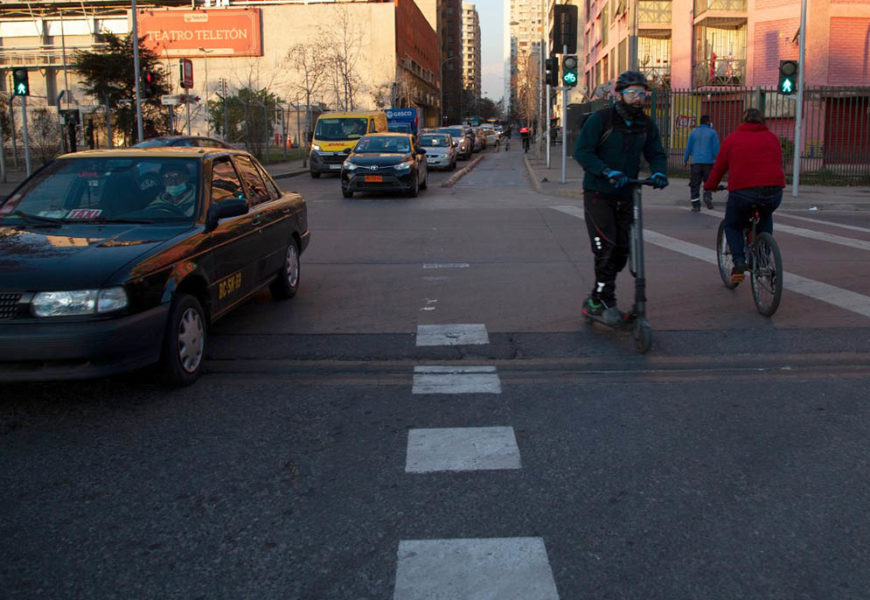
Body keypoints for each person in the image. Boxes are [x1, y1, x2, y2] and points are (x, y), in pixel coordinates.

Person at [573, 70, 668, 325]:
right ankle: (606, 301)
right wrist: (605, 171)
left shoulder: (645, 124)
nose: (638, 98)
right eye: (632, 93)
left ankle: (596, 299)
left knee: (622, 252)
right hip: (598, 193)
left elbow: (656, 152)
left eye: (642, 93)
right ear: (620, 95)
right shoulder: (601, 120)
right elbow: (582, 152)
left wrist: (659, 172)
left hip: (627, 194)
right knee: (606, 247)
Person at [704, 107, 784, 284]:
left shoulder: (732, 139)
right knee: (765, 216)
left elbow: (719, 167)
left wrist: (710, 186)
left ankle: (739, 262)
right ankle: (763, 260)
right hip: (773, 193)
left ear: (743, 121)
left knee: (732, 225)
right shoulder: (772, 138)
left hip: (743, 193)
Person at [683, 114, 719, 212]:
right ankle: (707, 196)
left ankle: (696, 204)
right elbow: (716, 148)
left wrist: (685, 159)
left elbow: (688, 147)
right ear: (708, 122)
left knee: (695, 184)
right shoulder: (712, 133)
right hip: (708, 162)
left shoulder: (693, 132)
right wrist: (718, 159)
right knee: (708, 182)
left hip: (696, 163)